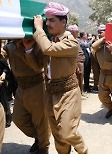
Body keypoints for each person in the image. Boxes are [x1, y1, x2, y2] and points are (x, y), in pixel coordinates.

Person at [33, 2, 88, 154]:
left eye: (52, 20)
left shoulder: (71, 42)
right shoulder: (48, 40)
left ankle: (83, 150)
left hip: (68, 93)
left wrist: (38, 29)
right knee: (58, 134)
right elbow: (38, 62)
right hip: (50, 92)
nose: (47, 23)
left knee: (67, 132)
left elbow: (48, 50)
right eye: (46, 20)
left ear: (63, 22)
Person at [2, 38, 50, 154]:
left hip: (37, 86)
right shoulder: (10, 46)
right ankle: (39, 137)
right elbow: (2, 54)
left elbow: (38, 67)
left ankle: (43, 147)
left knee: (40, 120)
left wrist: (27, 49)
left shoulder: (36, 44)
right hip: (21, 87)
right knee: (18, 119)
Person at [91, 24, 112, 124]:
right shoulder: (98, 44)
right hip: (103, 74)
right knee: (102, 95)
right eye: (99, 32)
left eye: (101, 32)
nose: (99, 34)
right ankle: (111, 107)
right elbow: (93, 46)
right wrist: (103, 39)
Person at [68, 25, 86, 98]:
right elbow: (72, 54)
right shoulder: (71, 40)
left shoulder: (75, 40)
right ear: (72, 32)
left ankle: (81, 92)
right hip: (77, 62)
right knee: (78, 77)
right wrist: (75, 64)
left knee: (81, 77)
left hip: (80, 61)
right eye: (77, 32)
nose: (78, 33)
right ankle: (79, 94)